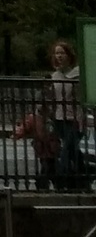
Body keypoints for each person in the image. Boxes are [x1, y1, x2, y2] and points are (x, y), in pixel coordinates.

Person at [36, 41, 89, 192]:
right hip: (59, 119)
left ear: (69, 55)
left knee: (67, 149)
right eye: (56, 53)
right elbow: (47, 98)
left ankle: (61, 179)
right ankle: (83, 181)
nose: (59, 56)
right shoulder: (54, 76)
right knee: (73, 151)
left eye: (62, 53)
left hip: (76, 119)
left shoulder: (78, 74)